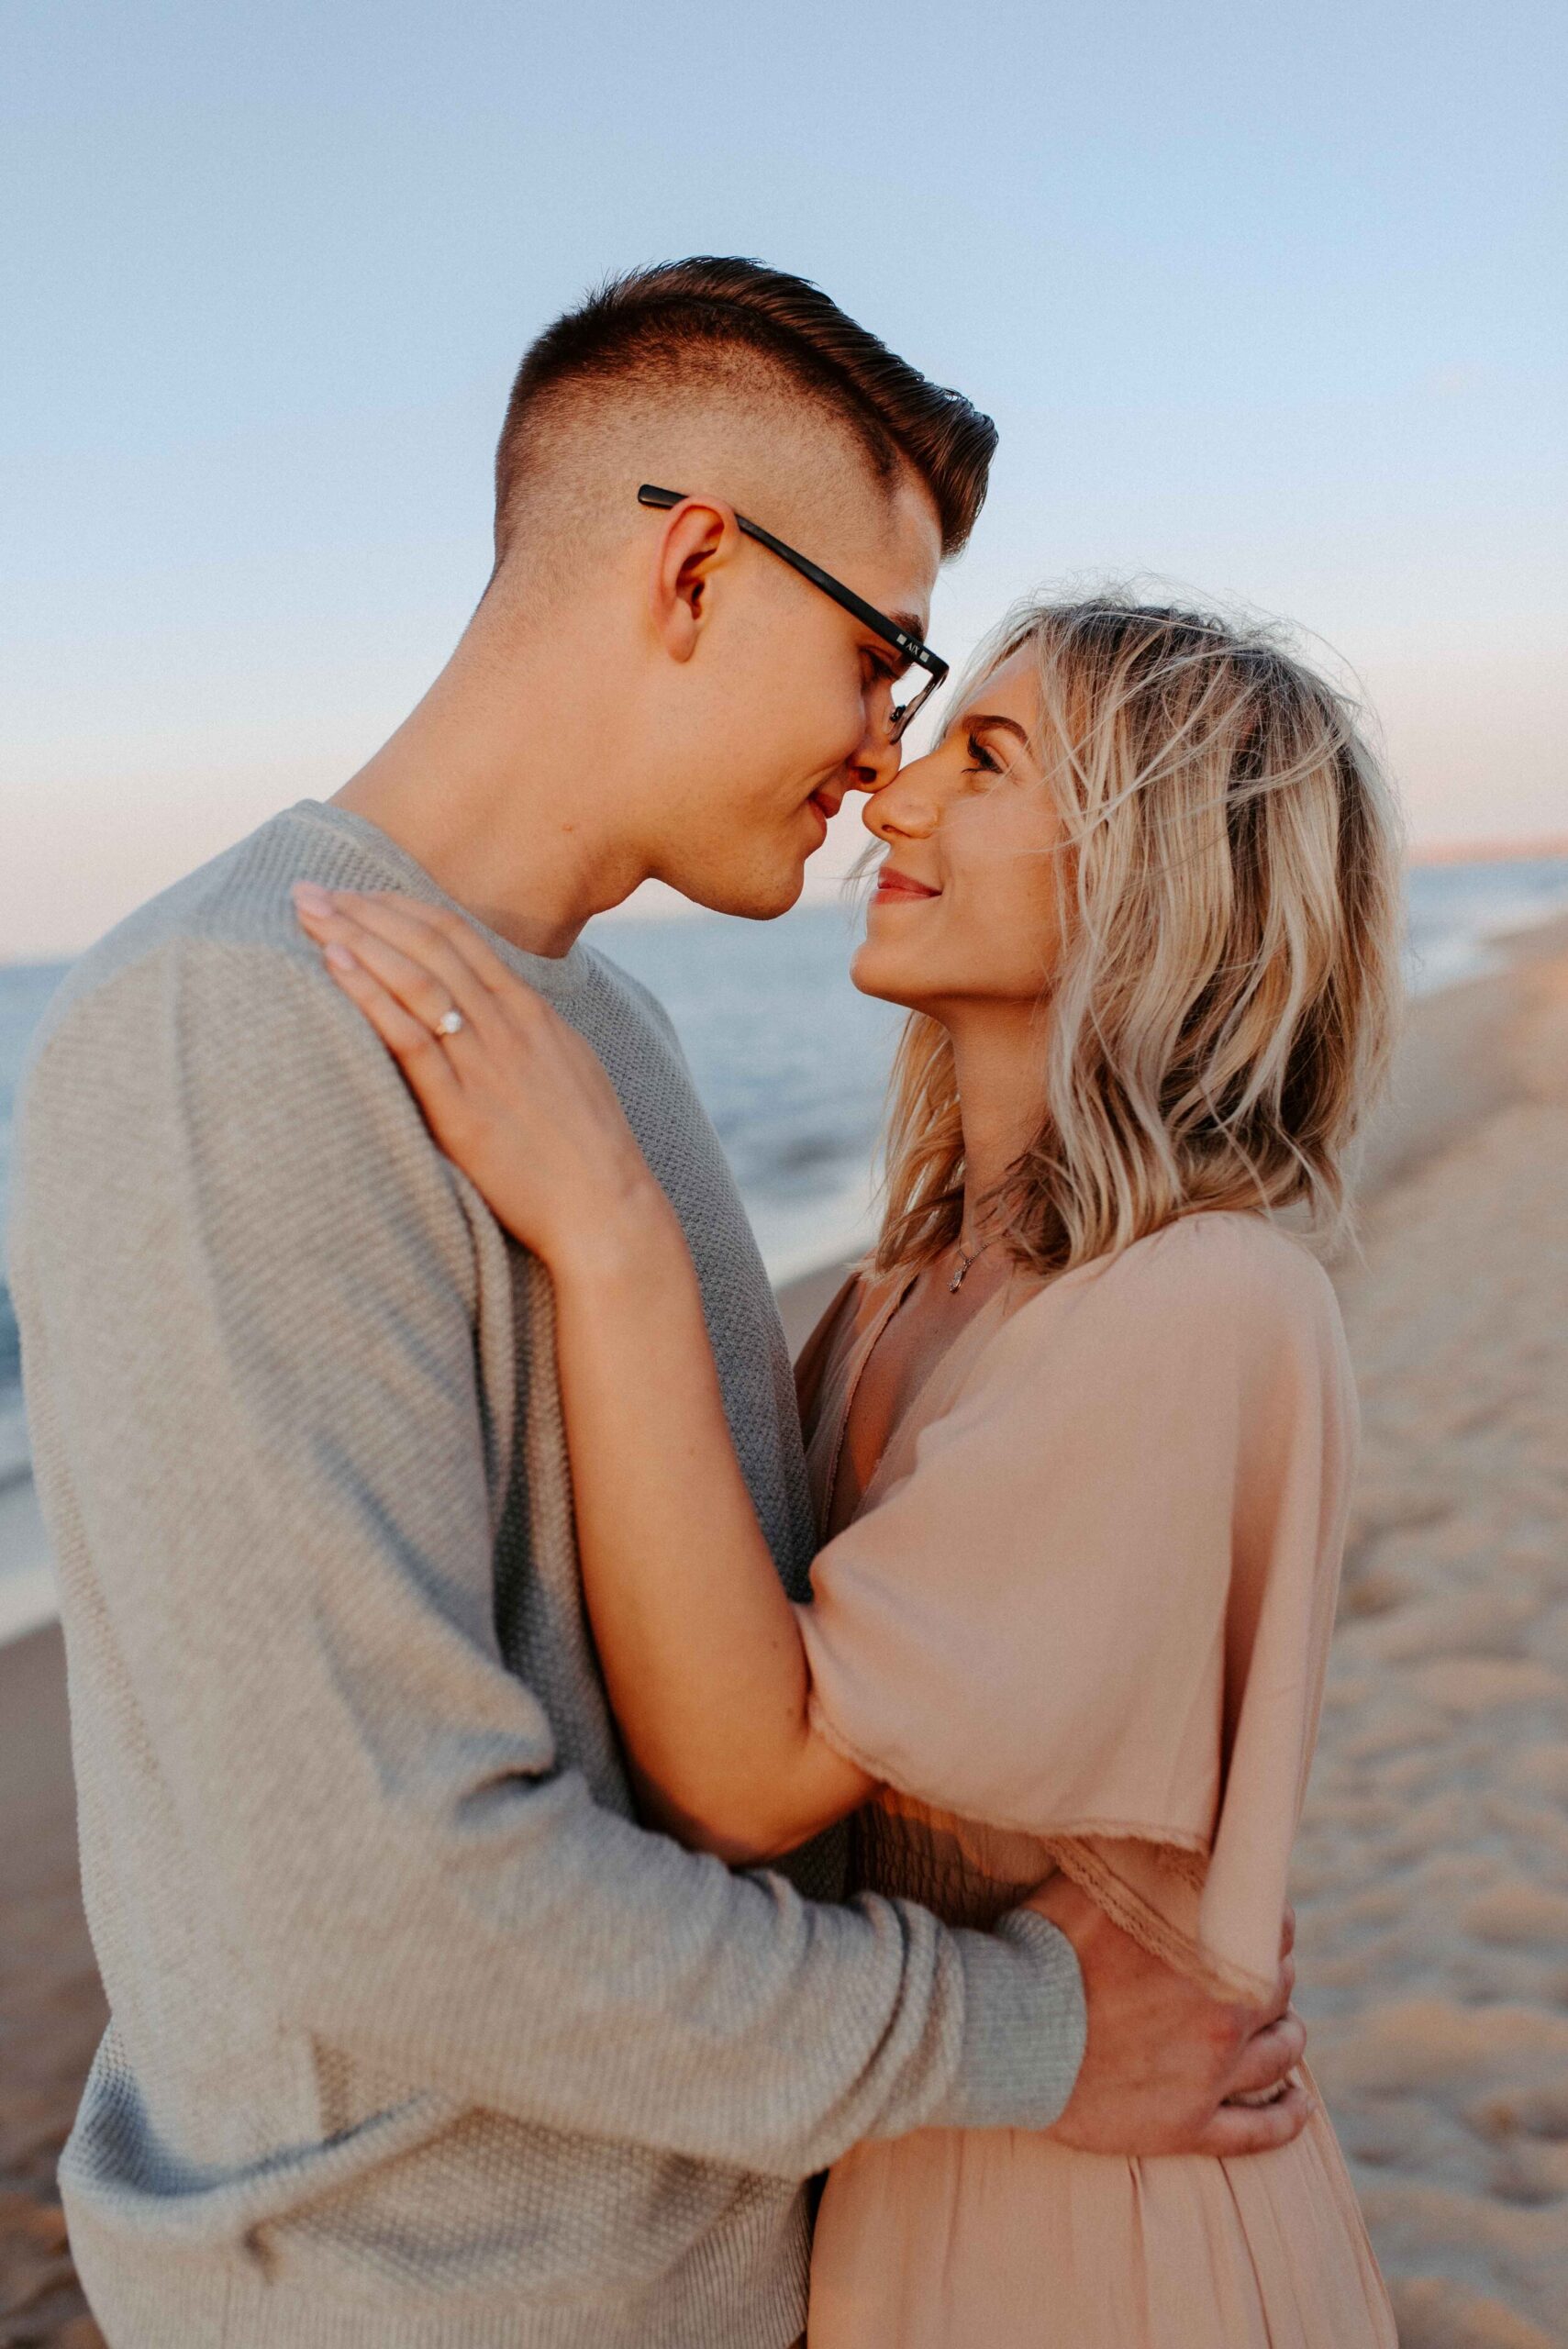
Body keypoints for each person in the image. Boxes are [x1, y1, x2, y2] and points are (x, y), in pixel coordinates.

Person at [11, 262, 1307, 2349]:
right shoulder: (224, 1031)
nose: (879, 756)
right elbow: (386, 1886)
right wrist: (1030, 2029)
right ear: (697, 566)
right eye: (884, 654)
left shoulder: (609, 1035)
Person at [295, 591, 1403, 2344]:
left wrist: (609, 1227)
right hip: (937, 2158)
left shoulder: (1206, 1298)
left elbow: (750, 1774)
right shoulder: (913, 1284)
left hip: (1100, 2223)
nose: (886, 797)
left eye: (985, 760)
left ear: (1162, 862)